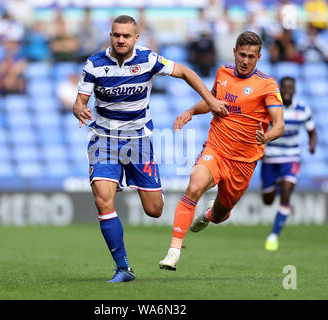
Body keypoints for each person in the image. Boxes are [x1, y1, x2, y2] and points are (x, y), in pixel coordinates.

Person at [73, 15, 228, 283]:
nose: (120, 40)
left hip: (138, 141)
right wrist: (78, 108)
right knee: (102, 199)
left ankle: (151, 190)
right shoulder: (94, 65)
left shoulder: (149, 59)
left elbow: (186, 72)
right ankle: (123, 268)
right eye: (116, 35)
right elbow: (80, 101)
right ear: (110, 36)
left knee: (154, 209)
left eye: (126, 36)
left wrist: (211, 100)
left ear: (136, 38)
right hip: (104, 139)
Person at [159, 31, 285, 271]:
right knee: (194, 185)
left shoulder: (267, 85)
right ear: (234, 52)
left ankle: (209, 216)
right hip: (216, 148)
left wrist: (266, 137)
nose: (245, 61)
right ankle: (173, 251)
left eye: (251, 56)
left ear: (259, 57)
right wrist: (190, 112)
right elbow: (213, 100)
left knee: (220, 213)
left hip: (244, 162)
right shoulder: (223, 73)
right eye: (242, 55)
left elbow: (279, 124)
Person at [263, 76, 317, 251]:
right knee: (268, 200)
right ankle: (276, 183)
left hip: (291, 157)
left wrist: (312, 144)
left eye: (290, 88)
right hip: (270, 157)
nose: (286, 91)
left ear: (294, 90)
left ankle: (273, 236)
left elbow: (312, 131)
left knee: (286, 193)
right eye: (283, 88)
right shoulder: (270, 107)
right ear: (279, 90)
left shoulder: (302, 109)